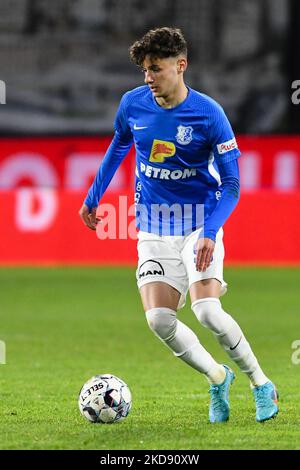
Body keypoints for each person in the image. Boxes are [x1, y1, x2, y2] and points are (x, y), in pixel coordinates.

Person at [79, 27, 278, 423]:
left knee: (206, 311)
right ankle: (217, 378)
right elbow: (120, 142)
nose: (148, 77)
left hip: (198, 224)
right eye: (144, 70)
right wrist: (93, 194)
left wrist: (209, 231)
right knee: (159, 320)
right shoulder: (133, 104)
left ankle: (260, 383)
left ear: (180, 65)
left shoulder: (208, 114)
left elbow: (233, 184)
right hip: (152, 228)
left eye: (155, 69)